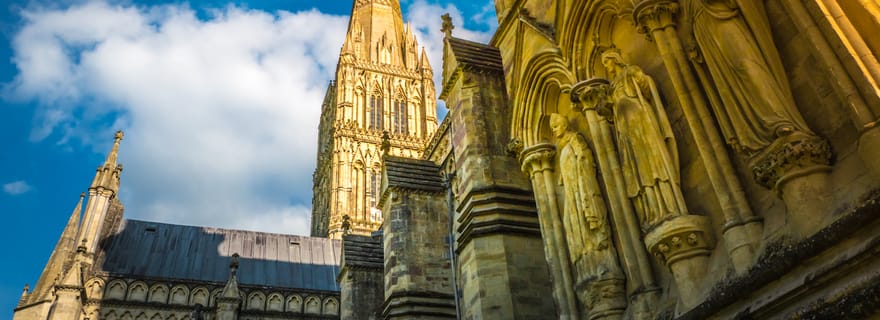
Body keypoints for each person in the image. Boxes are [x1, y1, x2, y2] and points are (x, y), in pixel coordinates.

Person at [681, 0, 813, 153]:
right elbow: (687, 16)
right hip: (702, 30)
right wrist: (689, 36)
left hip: (722, 17)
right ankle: (751, 133)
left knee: (747, 65)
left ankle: (778, 118)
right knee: (728, 86)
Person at [600, 50, 689, 229]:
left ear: (614, 60)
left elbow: (646, 89)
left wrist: (639, 78)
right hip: (627, 133)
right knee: (639, 171)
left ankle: (669, 205)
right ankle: (652, 212)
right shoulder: (613, 86)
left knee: (654, 163)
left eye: (607, 63)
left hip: (642, 122)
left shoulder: (629, 73)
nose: (607, 67)